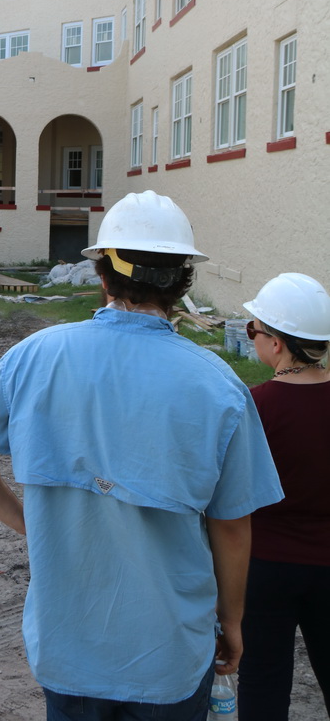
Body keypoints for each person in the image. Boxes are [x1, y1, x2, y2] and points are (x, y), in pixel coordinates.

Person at [0, 191, 284, 721]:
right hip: (168, 654)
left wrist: (26, 520)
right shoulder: (219, 386)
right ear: (182, 281)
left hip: (69, 647)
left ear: (103, 274)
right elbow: (233, 526)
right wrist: (231, 621)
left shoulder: (36, 355)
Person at [238, 273, 330, 720]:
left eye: (252, 329)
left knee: (262, 682)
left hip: (265, 568)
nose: (251, 337)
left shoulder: (253, 407)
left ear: (276, 343)